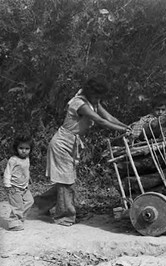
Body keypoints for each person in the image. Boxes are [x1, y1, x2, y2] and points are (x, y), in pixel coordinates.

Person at [33, 76, 132, 226]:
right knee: (67, 182)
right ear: (88, 92)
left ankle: (38, 206)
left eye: (99, 97)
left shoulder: (93, 101)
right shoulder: (79, 103)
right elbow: (101, 121)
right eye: (95, 96)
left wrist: (128, 127)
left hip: (72, 143)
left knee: (65, 181)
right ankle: (64, 217)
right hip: (62, 143)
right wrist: (123, 130)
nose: (97, 99)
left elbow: (109, 117)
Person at [3, 134, 34, 231]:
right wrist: (7, 185)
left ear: (30, 149)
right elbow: (7, 172)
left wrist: (29, 179)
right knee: (17, 206)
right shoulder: (13, 160)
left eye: (27, 148)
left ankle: (19, 218)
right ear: (16, 148)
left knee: (30, 201)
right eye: (21, 148)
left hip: (24, 187)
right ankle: (13, 223)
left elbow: (26, 171)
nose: (24, 151)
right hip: (14, 188)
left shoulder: (27, 159)